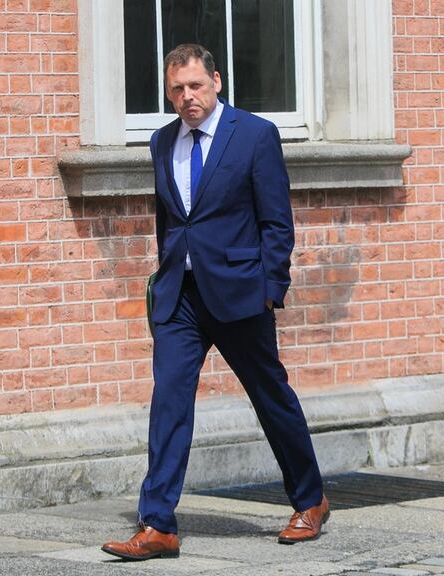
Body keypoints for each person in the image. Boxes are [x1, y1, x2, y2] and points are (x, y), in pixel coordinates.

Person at [101, 44, 327, 561]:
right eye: (177, 89)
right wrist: (162, 280)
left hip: (241, 294)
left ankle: (310, 499)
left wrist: (271, 288)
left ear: (217, 82)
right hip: (180, 298)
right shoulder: (161, 142)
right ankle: (157, 524)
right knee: (169, 402)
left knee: (270, 397)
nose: (187, 97)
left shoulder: (254, 135)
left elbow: (276, 222)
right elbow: (171, 220)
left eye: (196, 86)